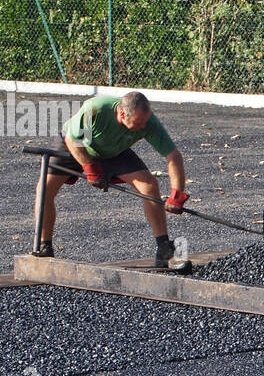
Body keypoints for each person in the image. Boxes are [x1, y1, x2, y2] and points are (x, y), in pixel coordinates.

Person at [35, 90, 189, 267]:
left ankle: (163, 247)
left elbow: (173, 156)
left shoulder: (148, 122)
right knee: (45, 189)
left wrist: (177, 193)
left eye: (145, 122)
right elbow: (74, 140)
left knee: (149, 186)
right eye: (138, 123)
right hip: (74, 146)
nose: (143, 127)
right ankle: (44, 246)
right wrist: (91, 169)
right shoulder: (95, 109)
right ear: (122, 114)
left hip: (113, 150)